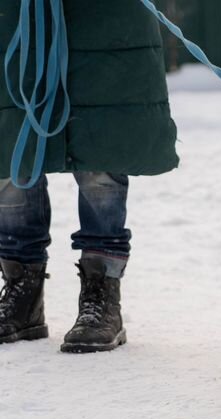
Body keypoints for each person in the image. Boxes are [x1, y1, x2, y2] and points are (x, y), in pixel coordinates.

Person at [0, 1, 178, 352]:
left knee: (101, 147)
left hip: (106, 19)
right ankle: (22, 290)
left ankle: (102, 291)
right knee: (10, 148)